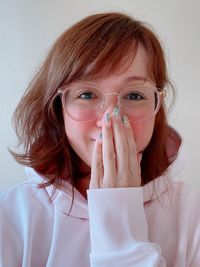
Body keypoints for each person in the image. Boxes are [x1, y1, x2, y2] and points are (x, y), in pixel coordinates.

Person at [0, 12, 199, 267]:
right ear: (58, 107)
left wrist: (120, 222)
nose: (110, 119)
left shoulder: (193, 214)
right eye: (86, 94)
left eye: (135, 96)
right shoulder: (10, 216)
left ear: (157, 106)